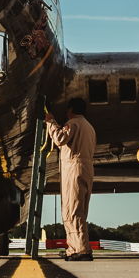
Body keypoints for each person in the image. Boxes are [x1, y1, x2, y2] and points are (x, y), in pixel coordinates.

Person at [44, 97, 97, 261]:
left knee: (72, 210)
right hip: (86, 168)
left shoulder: (73, 123)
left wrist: (50, 122)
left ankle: (81, 250)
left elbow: (60, 139)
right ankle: (74, 248)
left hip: (73, 168)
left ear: (72, 109)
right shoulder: (89, 127)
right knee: (79, 210)